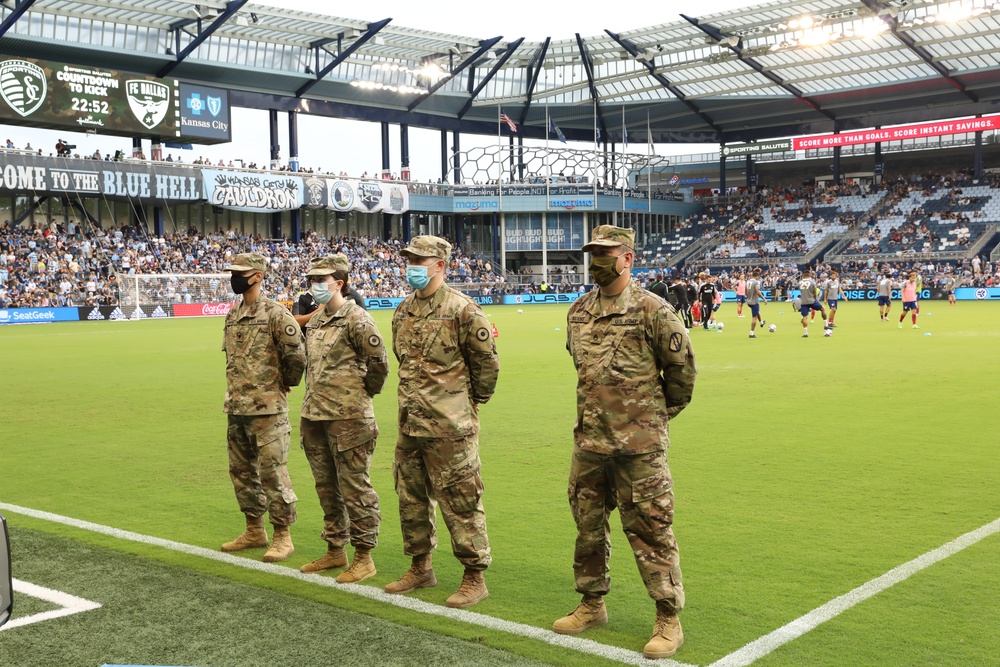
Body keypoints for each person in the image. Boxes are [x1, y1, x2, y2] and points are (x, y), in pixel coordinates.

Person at [556, 225, 697, 660]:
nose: (596, 260)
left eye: (605, 253)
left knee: (651, 530)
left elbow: (682, 377)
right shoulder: (578, 312)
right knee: (587, 529)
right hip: (591, 446)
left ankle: (668, 618)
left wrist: (650, 420)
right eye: (592, 253)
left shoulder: (655, 311)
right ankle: (592, 604)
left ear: (627, 258)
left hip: (639, 450)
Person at [386, 235, 500, 608]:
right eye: (410, 259)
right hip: (410, 424)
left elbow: (486, 365)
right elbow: (403, 361)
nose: (412, 265)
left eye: (421, 260)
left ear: (441, 266)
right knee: (411, 498)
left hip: (451, 427)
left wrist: (466, 405)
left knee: (462, 501)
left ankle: (474, 576)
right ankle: (421, 567)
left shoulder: (463, 310)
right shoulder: (402, 311)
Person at [297, 255, 389, 582]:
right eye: (312, 281)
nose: (315, 286)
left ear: (339, 284)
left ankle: (364, 557)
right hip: (315, 416)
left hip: (350, 419)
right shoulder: (318, 319)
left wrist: (360, 395)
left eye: (322, 281)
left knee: (354, 488)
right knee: (326, 487)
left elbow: (379, 364)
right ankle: (336, 550)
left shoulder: (357, 319)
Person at [220, 253, 306, 562]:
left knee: (273, 474)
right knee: (242, 473)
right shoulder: (232, 315)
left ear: (257, 276)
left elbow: (297, 357)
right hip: (237, 407)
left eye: (240, 273)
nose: (235, 278)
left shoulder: (275, 314)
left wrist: (285, 384)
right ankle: (254, 530)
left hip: (268, 409)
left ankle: (283, 536)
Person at [797, 269, 828, 337]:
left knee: (804, 317)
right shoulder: (812, 282)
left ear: (803, 275)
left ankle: (805, 333)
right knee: (823, 309)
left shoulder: (799, 283)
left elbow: (801, 291)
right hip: (811, 300)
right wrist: (814, 299)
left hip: (803, 301)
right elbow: (814, 292)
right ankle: (826, 325)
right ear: (809, 275)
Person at [746, 267, 768, 338]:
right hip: (754, 301)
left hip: (748, 301)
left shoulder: (748, 281)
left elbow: (745, 292)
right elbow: (757, 292)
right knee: (754, 317)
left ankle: (761, 322)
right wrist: (764, 298)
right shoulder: (756, 282)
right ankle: (751, 333)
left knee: (757, 312)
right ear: (757, 276)